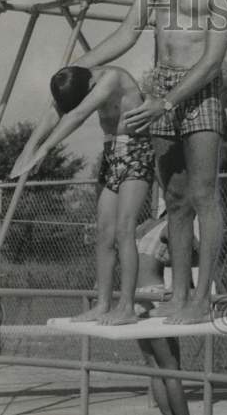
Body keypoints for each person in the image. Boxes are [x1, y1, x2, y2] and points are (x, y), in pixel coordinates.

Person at [66, 0, 227, 325]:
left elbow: (214, 60)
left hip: (198, 88)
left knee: (204, 195)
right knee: (174, 200)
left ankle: (201, 299)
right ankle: (177, 295)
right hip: (159, 84)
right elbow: (128, 31)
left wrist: (168, 102)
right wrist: (79, 65)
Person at [12, 65, 154, 326]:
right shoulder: (77, 80)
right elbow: (59, 112)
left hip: (137, 151)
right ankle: (102, 304)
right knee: (104, 233)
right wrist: (28, 148)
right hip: (111, 154)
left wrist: (44, 150)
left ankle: (127, 307)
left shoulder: (112, 78)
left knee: (124, 230)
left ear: (89, 88)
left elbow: (77, 115)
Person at [133, 217, 200, 415]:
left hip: (136, 296)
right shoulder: (176, 224)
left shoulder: (148, 225)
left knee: (156, 370)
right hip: (154, 294)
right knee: (172, 371)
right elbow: (191, 259)